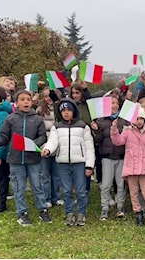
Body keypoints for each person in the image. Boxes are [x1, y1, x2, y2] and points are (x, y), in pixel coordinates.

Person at [0, 90, 50, 226]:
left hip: (33, 159)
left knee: (38, 185)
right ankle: (22, 213)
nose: (26, 102)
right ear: (16, 103)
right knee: (19, 187)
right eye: (22, 99)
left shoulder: (37, 119)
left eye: (28, 99)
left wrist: (33, 144)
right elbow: (3, 137)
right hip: (15, 160)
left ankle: (43, 210)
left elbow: (42, 136)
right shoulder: (10, 119)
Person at [42, 98, 95, 226]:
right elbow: (53, 141)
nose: (66, 113)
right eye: (63, 110)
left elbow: (89, 147)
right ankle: (69, 213)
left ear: (74, 111)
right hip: (63, 163)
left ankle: (81, 214)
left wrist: (89, 166)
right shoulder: (57, 127)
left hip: (80, 163)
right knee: (66, 191)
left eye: (68, 110)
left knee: (81, 191)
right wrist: (47, 149)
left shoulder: (83, 126)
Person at [110, 107, 145, 226]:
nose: (139, 121)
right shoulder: (127, 132)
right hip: (131, 167)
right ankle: (138, 213)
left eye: (141, 119)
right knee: (134, 192)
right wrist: (114, 129)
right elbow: (118, 141)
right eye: (137, 119)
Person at [90, 96, 128, 220]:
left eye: (116, 103)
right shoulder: (101, 121)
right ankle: (104, 208)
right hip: (107, 157)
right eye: (112, 103)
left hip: (121, 157)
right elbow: (97, 140)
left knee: (121, 184)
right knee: (106, 185)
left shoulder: (123, 121)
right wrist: (96, 131)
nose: (114, 106)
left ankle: (120, 207)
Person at [36, 87, 63, 208]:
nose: (48, 99)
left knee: (57, 174)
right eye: (46, 96)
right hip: (44, 144)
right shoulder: (40, 109)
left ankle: (56, 197)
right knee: (44, 174)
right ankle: (46, 198)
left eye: (50, 96)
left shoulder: (61, 108)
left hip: (58, 145)